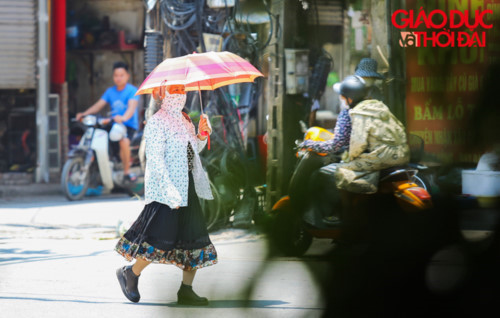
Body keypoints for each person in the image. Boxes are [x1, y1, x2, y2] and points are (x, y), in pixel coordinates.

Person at [114, 84, 217, 306]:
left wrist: (201, 134)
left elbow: (192, 151)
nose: (179, 94)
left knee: (194, 239)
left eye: (182, 89)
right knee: (159, 240)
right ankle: (131, 274)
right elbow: (156, 161)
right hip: (165, 191)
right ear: (159, 94)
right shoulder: (156, 122)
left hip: (186, 186)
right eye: (174, 89)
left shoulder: (185, 119)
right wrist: (170, 193)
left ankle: (187, 290)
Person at [76, 61, 140, 181]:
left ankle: (127, 172)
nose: (118, 78)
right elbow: (98, 105)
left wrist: (123, 118)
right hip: (113, 124)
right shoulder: (110, 92)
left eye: (121, 75)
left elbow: (131, 108)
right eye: (116, 75)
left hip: (128, 126)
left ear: (127, 76)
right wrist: (84, 114)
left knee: (123, 141)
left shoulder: (132, 91)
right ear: (113, 77)